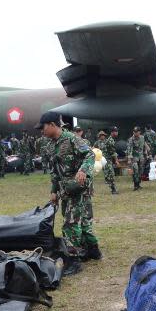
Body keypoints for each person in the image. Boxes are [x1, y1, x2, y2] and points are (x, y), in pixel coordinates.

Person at [38, 111, 101, 259]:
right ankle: (92, 250)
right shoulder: (50, 145)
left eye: (44, 127)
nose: (42, 130)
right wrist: (54, 191)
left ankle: (73, 257)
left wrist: (83, 170)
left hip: (78, 187)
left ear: (53, 125)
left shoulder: (72, 139)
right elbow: (54, 171)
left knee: (70, 222)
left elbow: (90, 154)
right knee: (84, 220)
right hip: (66, 189)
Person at [94, 130, 119, 194]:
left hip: (108, 160)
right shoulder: (97, 143)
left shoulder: (108, 142)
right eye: (101, 135)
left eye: (103, 135)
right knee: (107, 175)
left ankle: (113, 188)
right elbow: (93, 150)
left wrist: (116, 160)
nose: (102, 136)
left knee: (111, 174)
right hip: (101, 161)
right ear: (99, 136)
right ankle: (111, 186)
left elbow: (113, 151)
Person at [126, 126, 148, 191]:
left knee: (141, 171)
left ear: (139, 132)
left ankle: (138, 184)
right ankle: (135, 185)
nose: (135, 133)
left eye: (137, 132)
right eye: (134, 132)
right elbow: (129, 149)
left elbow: (144, 146)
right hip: (134, 157)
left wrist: (146, 153)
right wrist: (129, 159)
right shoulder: (131, 139)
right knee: (135, 170)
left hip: (141, 157)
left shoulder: (142, 138)